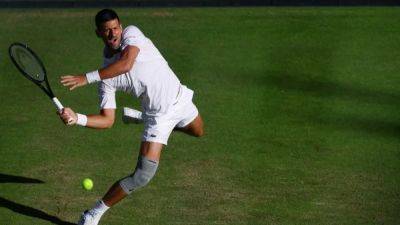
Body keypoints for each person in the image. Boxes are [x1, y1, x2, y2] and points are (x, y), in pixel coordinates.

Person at [58, 8, 204, 225]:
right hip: (158, 118)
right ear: (98, 33)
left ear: (121, 27)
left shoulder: (132, 33)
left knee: (198, 131)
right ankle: (93, 214)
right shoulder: (106, 77)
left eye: (115, 28)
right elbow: (107, 120)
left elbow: (126, 64)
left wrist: (85, 78)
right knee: (142, 176)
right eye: (106, 31)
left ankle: (140, 117)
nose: (113, 34)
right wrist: (76, 117)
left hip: (179, 96)